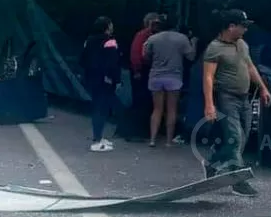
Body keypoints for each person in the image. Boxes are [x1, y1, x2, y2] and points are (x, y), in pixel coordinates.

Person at [203, 9, 271, 197]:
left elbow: (250, 67)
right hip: (226, 98)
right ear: (231, 26)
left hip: (244, 98)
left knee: (243, 138)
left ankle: (213, 163)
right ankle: (238, 182)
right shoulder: (214, 48)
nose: (245, 30)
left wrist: (263, 88)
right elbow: (208, 77)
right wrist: (209, 104)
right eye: (243, 26)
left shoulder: (242, 44)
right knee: (236, 137)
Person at [144, 15, 197, 147]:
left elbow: (146, 56)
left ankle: (152, 139)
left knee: (157, 109)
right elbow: (190, 57)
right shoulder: (182, 39)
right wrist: (194, 43)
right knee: (172, 110)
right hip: (174, 77)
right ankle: (168, 141)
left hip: (156, 77)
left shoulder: (153, 38)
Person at [80, 16, 121, 152]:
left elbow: (83, 60)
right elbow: (113, 63)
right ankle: (97, 140)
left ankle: (98, 137)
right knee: (102, 108)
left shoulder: (89, 41)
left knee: (97, 106)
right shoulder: (110, 42)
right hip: (105, 79)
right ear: (106, 27)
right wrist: (116, 79)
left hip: (91, 78)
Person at [123, 12, 160, 141]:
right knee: (140, 100)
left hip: (145, 71)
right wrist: (137, 70)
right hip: (141, 71)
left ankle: (140, 131)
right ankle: (134, 132)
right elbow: (135, 53)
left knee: (144, 101)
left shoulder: (151, 36)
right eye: (155, 22)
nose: (157, 25)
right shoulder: (143, 35)